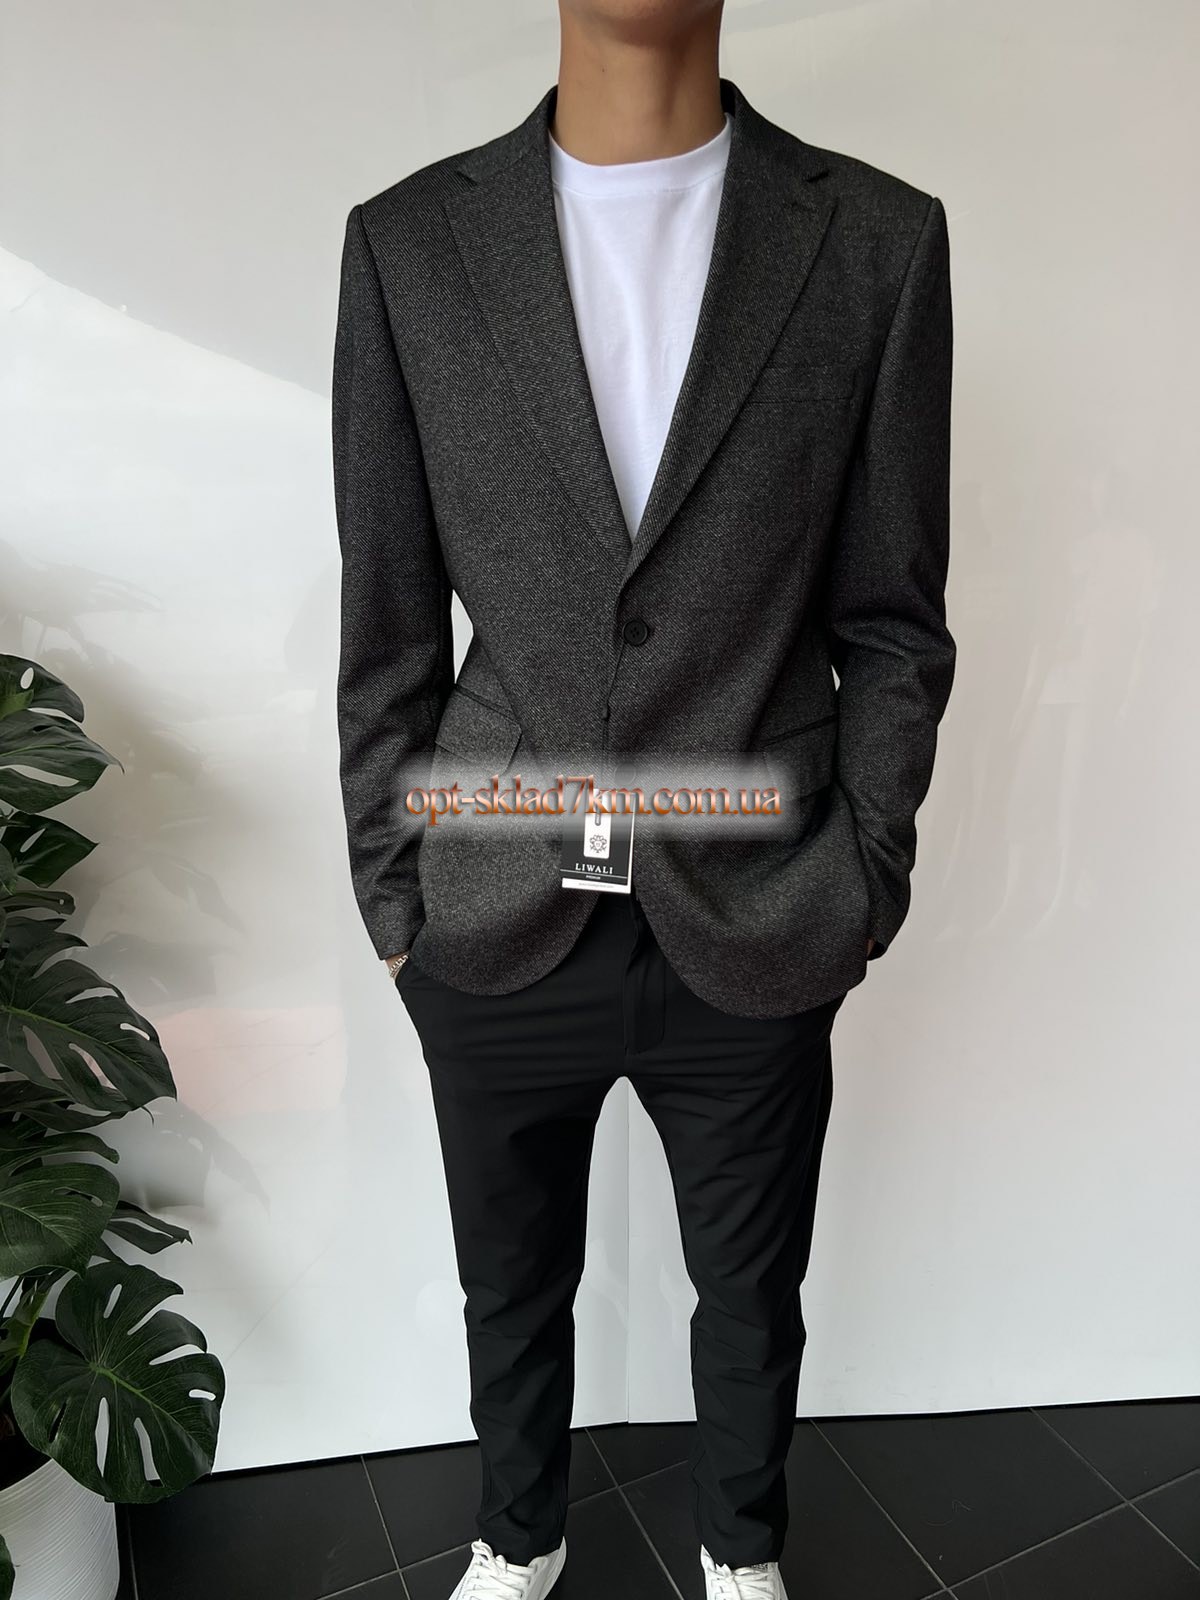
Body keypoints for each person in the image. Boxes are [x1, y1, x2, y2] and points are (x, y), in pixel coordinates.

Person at [331, 2, 954, 1595]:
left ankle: (742, 1557)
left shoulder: (876, 241)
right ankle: (517, 1537)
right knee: (507, 1284)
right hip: (490, 892)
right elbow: (388, 625)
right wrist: (396, 900)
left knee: (749, 1293)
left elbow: (892, 619)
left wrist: (865, 873)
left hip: (762, 896)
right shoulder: (410, 245)